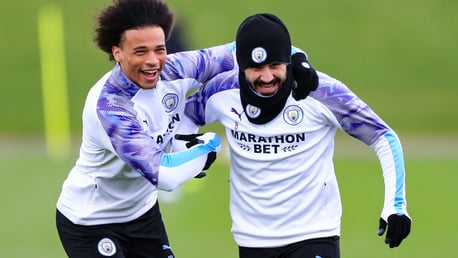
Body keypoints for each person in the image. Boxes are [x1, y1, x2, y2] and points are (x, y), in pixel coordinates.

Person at [184, 13, 411, 258]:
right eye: (256, 67)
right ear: (240, 65)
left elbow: (382, 136)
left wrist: (396, 206)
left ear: (288, 62)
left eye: (275, 65)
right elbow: (184, 117)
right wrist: (191, 150)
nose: (267, 77)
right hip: (251, 239)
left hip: (314, 235)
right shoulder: (221, 90)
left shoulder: (322, 92)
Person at [55, 0, 236, 257]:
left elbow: (245, 50)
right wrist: (209, 147)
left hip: (142, 215)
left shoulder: (176, 69)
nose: (153, 61)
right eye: (140, 51)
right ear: (117, 52)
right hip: (89, 221)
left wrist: (296, 62)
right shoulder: (111, 107)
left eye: (159, 49)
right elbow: (167, 175)